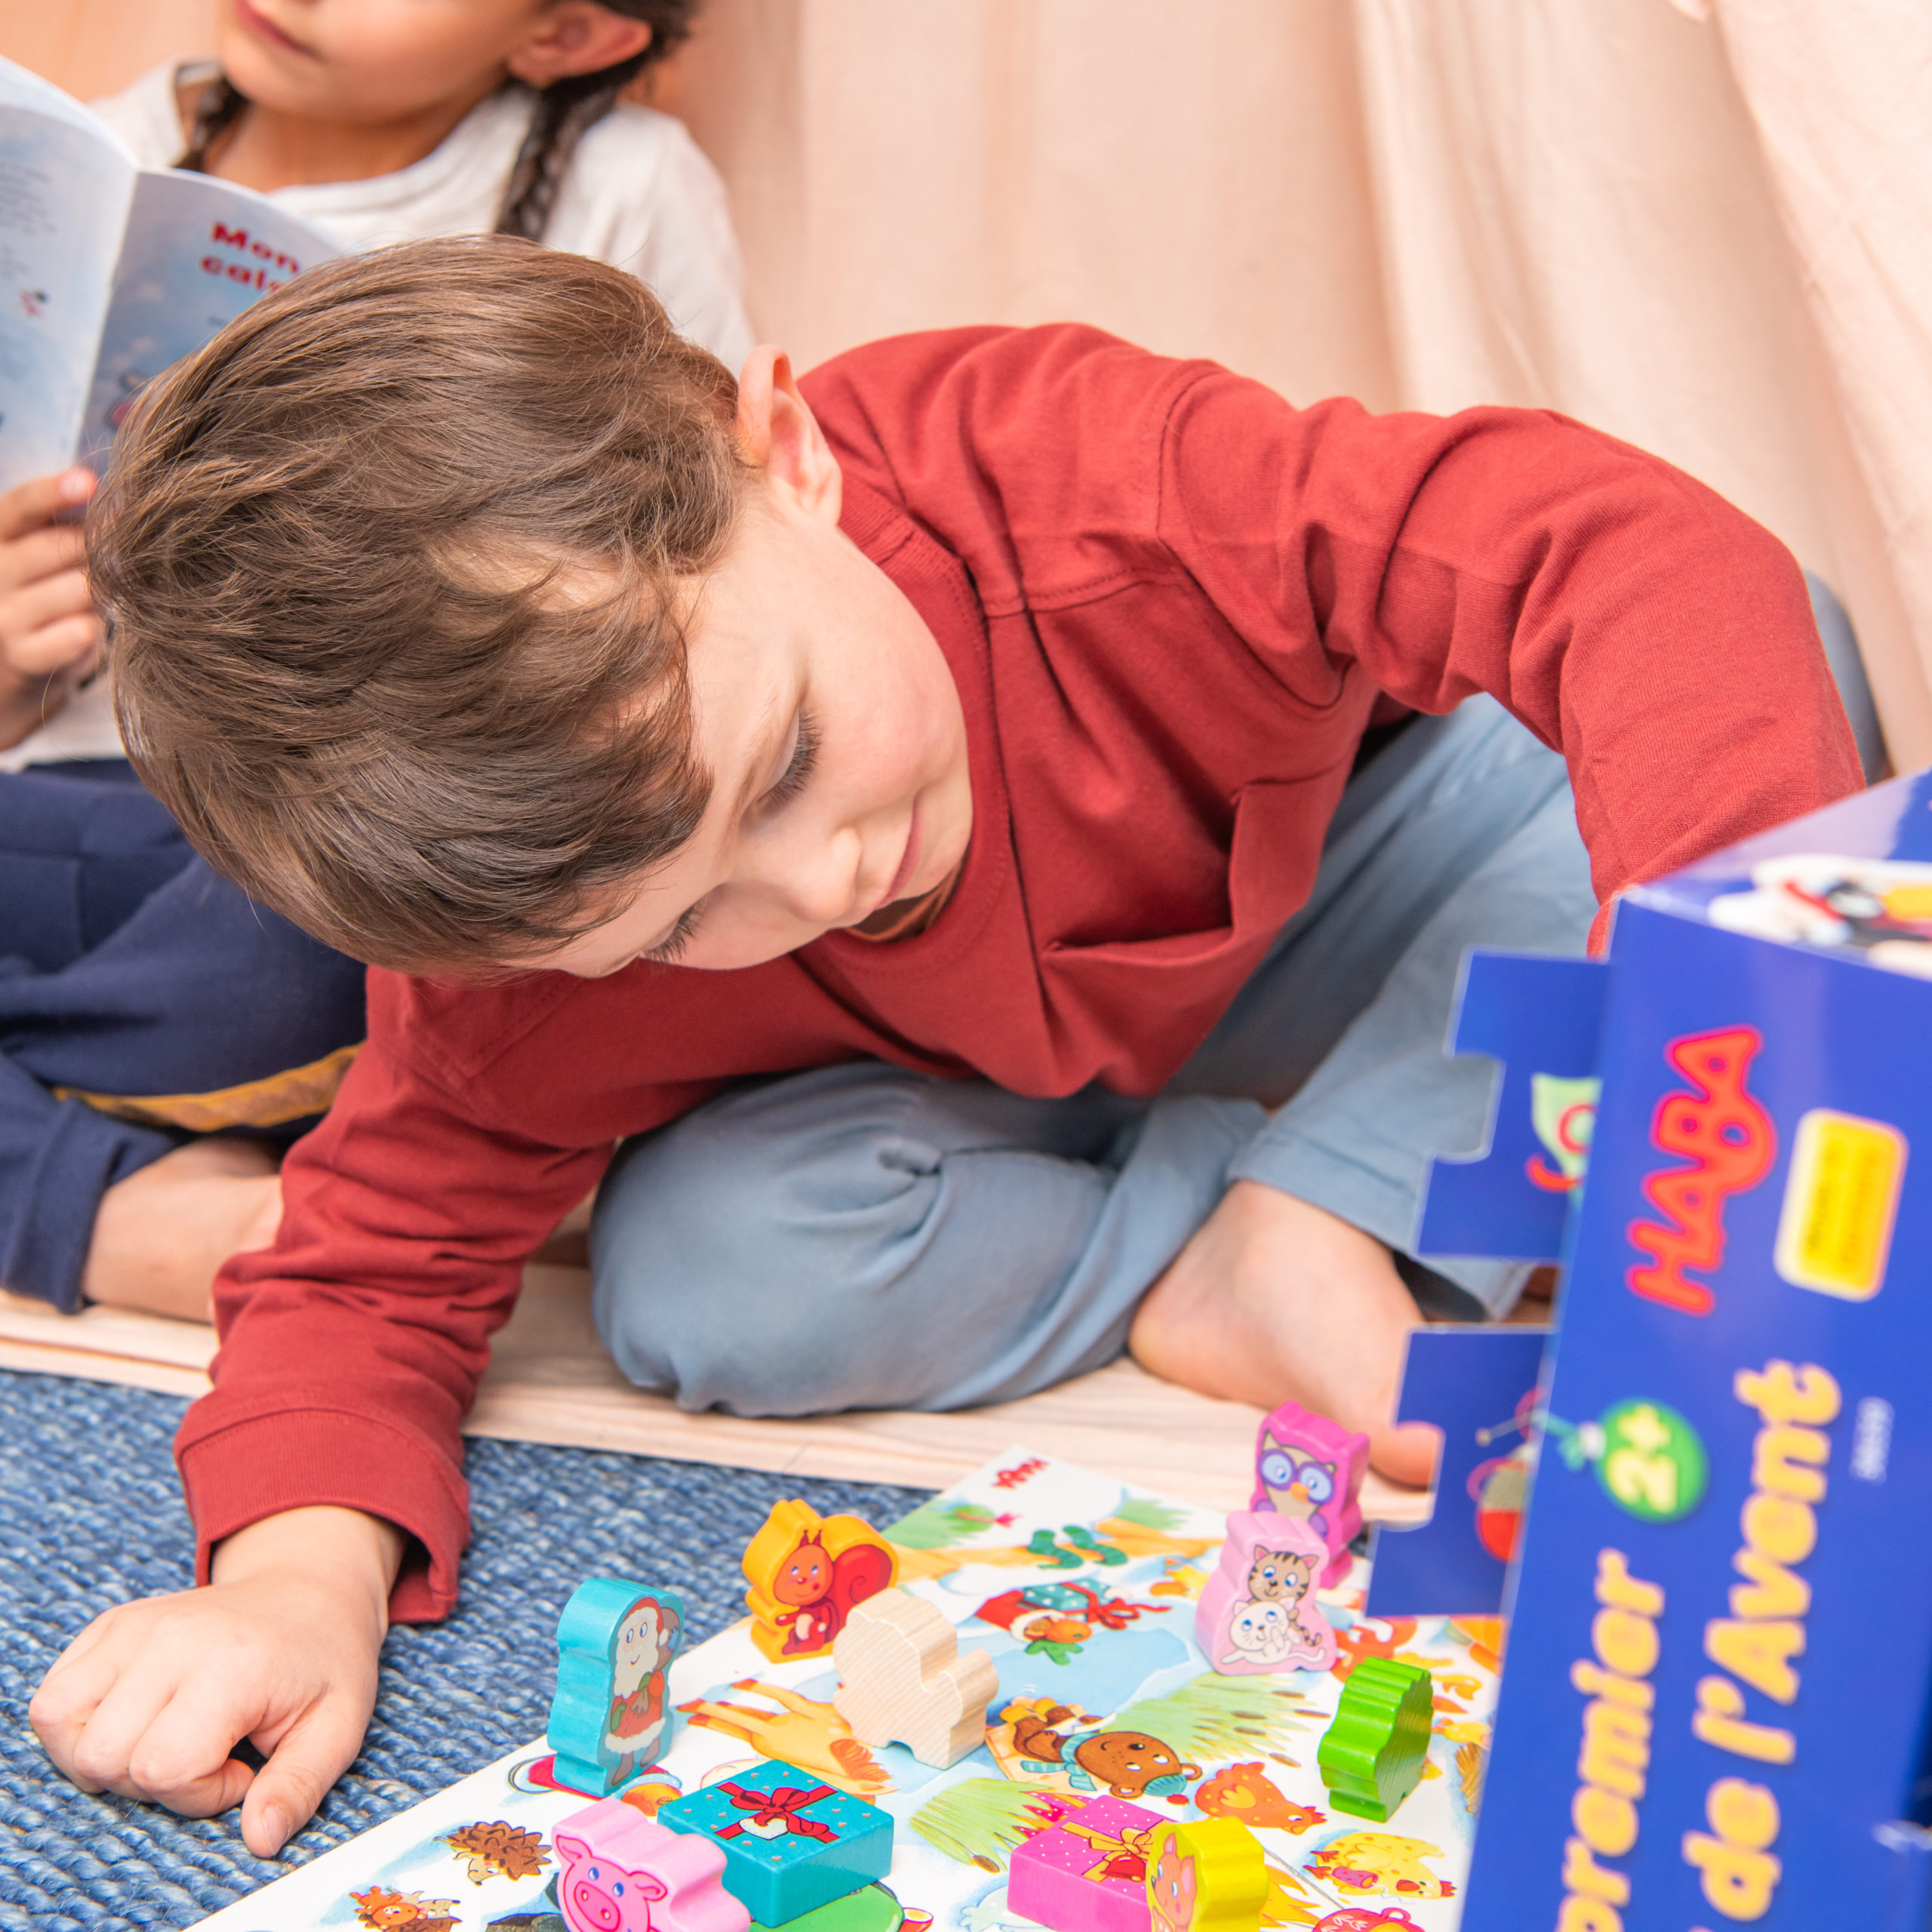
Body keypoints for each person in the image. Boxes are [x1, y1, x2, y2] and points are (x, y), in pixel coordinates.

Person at [32, 238, 1861, 1857]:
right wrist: (291, 1580)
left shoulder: (1078, 479)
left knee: (1747, 667)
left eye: (791, 762)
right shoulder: (529, 972)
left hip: (1371, 890)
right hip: (982, 1097)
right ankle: (1249, 1226)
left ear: (785, 455)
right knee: (707, 1273)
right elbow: (366, 1265)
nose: (816, 880)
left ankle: (1327, 1198)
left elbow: (1605, 543)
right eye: (676, 927)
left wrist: (1729, 1038)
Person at [0, 1, 752, 1322]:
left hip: (281, 853)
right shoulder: (74, 160)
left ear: (567, 34)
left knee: (358, 938)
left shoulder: (617, 187)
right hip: (49, 807)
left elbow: (714, 549)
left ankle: (89, 1169)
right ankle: (130, 1199)